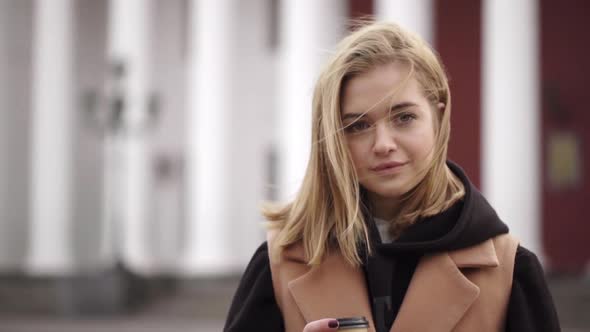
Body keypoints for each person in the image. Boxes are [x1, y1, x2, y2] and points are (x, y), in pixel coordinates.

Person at [223, 21, 560, 332]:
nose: (383, 145)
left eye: (404, 117)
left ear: (438, 118)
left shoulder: (508, 271)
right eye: (358, 126)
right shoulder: (279, 265)